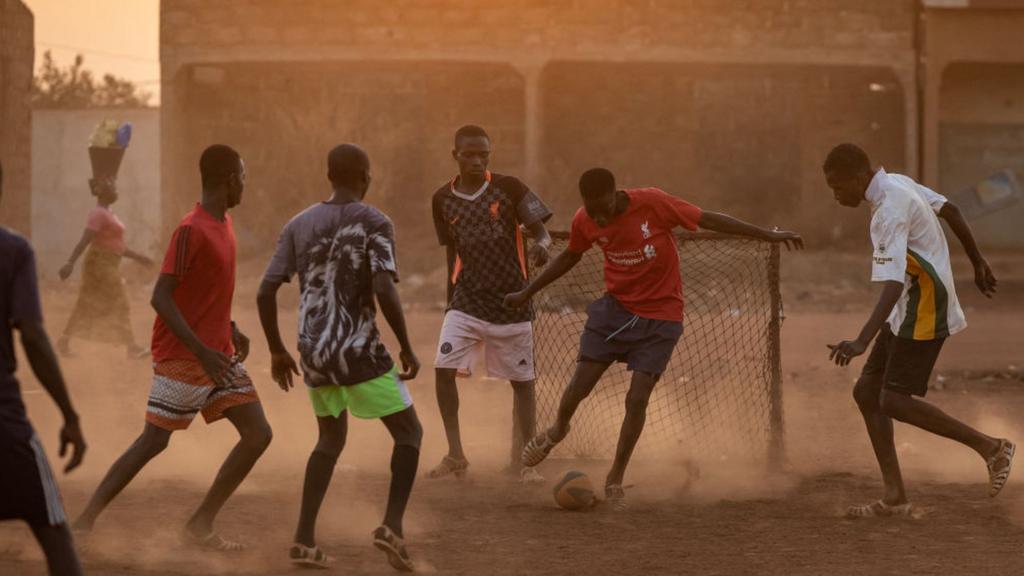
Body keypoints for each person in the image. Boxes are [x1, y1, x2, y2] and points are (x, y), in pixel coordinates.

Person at [504, 167, 803, 509]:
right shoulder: (584, 219)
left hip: (661, 315)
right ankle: (558, 429)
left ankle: (615, 476)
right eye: (591, 210)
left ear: (615, 195)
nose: (598, 218)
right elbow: (571, 255)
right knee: (580, 385)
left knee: (637, 398)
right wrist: (527, 292)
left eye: (603, 209)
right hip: (614, 312)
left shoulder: (653, 203)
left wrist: (766, 234)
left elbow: (708, 218)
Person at [72, 145, 273, 550]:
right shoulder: (191, 229)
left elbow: (205, 290)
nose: (245, 185)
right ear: (228, 179)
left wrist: (230, 327)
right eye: (243, 177)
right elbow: (161, 297)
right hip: (185, 355)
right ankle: (81, 524)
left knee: (258, 434)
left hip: (217, 354)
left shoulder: (225, 223)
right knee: (153, 442)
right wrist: (200, 350)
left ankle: (200, 523)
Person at [822, 143, 1012, 517]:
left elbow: (891, 285)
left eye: (838, 185)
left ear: (860, 177)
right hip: (910, 304)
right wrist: (977, 262)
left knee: (893, 400)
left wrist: (862, 339)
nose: (836, 194)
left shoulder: (887, 212)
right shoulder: (895, 183)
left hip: (925, 304)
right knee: (867, 391)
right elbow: (952, 210)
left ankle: (993, 448)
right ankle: (895, 497)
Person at [258, 144, 423, 571]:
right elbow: (385, 288)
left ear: (328, 176)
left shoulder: (297, 224)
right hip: (359, 350)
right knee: (409, 433)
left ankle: (303, 540)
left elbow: (265, 291)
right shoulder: (375, 221)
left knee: (329, 440)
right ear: (366, 177)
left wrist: (277, 349)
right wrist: (404, 343)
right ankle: (391, 527)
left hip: (313, 351)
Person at [428, 125, 553, 482]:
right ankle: (455, 455)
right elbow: (451, 252)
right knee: (442, 368)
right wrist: (448, 300)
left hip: (513, 300)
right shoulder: (442, 199)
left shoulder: (509, 188)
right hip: (467, 300)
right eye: (469, 154)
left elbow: (540, 227)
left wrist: (542, 244)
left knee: (522, 382)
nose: (477, 160)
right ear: (456, 155)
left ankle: (526, 464)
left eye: (483, 154)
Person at [0, 159, 88, 575]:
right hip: (5, 430)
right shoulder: (13, 250)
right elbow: (32, 336)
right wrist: (70, 415)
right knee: (55, 535)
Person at [57, 176, 152, 358]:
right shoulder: (98, 214)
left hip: (108, 262)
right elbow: (86, 239)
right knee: (120, 300)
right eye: (111, 188)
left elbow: (117, 245)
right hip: (99, 264)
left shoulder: (108, 213)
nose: (115, 191)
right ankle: (131, 347)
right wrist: (70, 262)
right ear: (101, 191)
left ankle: (63, 341)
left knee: (86, 303)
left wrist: (139, 258)